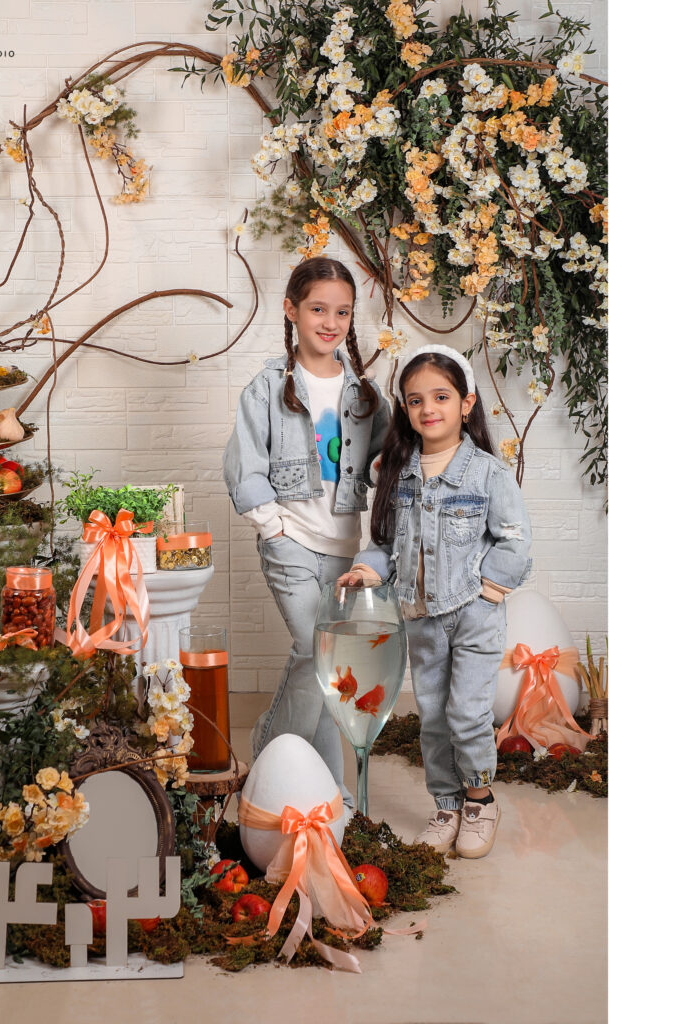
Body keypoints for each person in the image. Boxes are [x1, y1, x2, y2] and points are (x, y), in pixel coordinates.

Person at [337, 344, 531, 858]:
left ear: (466, 404)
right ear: (404, 408)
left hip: (473, 615)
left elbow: (514, 540)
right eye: (416, 399)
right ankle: (446, 805)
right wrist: (367, 569)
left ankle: (479, 800)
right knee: (434, 718)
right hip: (419, 616)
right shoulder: (397, 473)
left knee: (467, 714)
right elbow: (385, 543)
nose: (428, 409)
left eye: (441, 397)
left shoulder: (488, 474)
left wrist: (488, 593)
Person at [223, 256, 391, 811]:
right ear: (292, 310)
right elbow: (244, 466)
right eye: (318, 309)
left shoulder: (366, 396)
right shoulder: (268, 388)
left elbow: (390, 461)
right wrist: (272, 527)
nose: (330, 322)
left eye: (342, 312)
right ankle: (278, 761)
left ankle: (316, 783)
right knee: (314, 653)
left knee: (325, 668)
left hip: (345, 550)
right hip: (291, 543)